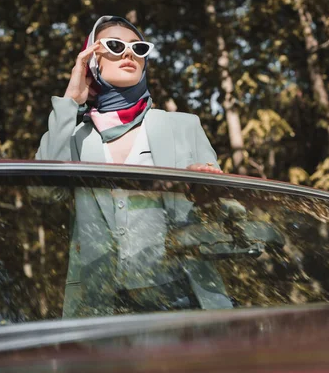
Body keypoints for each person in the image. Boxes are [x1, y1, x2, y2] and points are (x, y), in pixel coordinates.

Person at [35, 16, 233, 316]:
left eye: (138, 48)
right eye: (114, 46)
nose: (129, 54)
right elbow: (43, 193)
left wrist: (206, 193)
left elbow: (223, 214)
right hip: (99, 307)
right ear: (91, 61)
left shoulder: (184, 126)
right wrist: (69, 102)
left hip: (182, 300)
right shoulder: (74, 138)